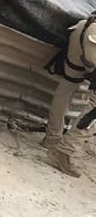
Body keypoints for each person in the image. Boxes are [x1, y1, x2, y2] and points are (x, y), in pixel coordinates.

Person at [41, 13, 96, 178]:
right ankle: (64, 152)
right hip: (93, 39)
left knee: (68, 85)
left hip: (84, 27)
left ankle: (51, 138)